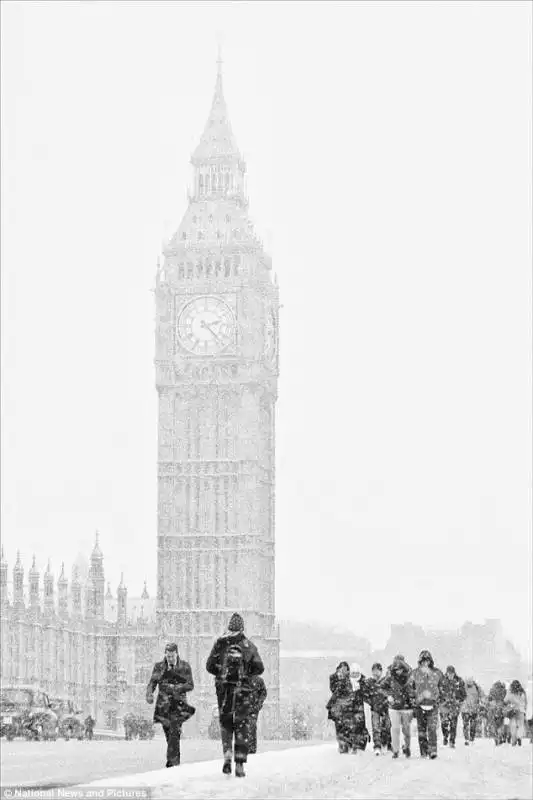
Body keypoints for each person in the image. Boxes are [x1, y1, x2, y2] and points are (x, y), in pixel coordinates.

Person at [206, 612, 264, 778]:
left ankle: (227, 754)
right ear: (242, 628)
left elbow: (209, 666)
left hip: (224, 692)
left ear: (229, 627)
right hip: (243, 692)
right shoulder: (249, 646)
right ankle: (239, 763)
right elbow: (260, 668)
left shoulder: (220, 643)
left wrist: (222, 673)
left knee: (226, 724)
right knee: (242, 726)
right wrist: (246, 674)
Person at [146, 642, 195, 768]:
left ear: (177, 654)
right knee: (170, 736)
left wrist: (177, 687)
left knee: (174, 733)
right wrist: (149, 694)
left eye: (172, 656)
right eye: (168, 656)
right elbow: (152, 683)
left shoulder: (184, 667)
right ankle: (174, 763)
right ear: (165, 655)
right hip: (163, 707)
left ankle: (172, 764)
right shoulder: (159, 667)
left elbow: (190, 685)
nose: (170, 659)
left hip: (178, 707)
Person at [407, 650, 444, 760]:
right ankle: (423, 751)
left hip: (433, 705)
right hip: (419, 705)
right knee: (421, 730)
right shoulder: (415, 673)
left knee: (432, 729)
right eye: (423, 661)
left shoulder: (437, 673)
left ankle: (432, 750)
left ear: (430, 661)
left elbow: (443, 687)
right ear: (420, 661)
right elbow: (409, 688)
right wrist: (414, 699)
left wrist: (439, 699)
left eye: (427, 660)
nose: (425, 663)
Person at [326, 662, 369, 755]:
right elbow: (336, 693)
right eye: (353, 673)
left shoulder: (363, 681)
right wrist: (330, 705)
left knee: (359, 726)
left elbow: (369, 693)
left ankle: (357, 745)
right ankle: (345, 745)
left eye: (356, 673)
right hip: (346, 708)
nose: (355, 675)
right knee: (344, 727)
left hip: (358, 708)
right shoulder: (344, 681)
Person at [381, 654, 413, 760]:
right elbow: (382, 687)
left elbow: (415, 688)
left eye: (400, 668)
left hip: (406, 707)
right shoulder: (390, 675)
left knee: (406, 730)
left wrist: (412, 696)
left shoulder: (410, 675)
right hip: (394, 707)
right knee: (395, 729)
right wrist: (389, 695)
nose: (398, 670)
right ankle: (395, 750)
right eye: (396, 668)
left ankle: (407, 747)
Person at [364, 662, 392, 755]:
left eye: (378, 670)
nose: (376, 673)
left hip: (385, 707)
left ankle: (387, 744)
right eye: (374, 671)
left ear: (381, 671)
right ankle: (377, 746)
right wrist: (371, 702)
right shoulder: (369, 682)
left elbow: (390, 692)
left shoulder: (385, 681)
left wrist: (388, 700)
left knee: (387, 726)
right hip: (375, 708)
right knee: (376, 727)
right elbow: (365, 695)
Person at [439, 665, 466, 748]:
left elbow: (463, 694)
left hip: (454, 706)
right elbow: (438, 692)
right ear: (446, 673)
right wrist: (441, 700)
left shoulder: (459, 681)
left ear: (454, 673)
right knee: (444, 723)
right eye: (449, 673)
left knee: (453, 724)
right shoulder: (441, 680)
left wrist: (459, 700)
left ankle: (452, 741)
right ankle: (445, 735)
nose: (450, 675)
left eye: (452, 673)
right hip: (444, 705)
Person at [248, 675, 267, 755]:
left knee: (251, 726)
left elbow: (264, 693)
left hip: (253, 709)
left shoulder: (258, 680)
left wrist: (258, 705)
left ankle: (251, 748)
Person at [504, 680, 527, 747]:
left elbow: (505, 700)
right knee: (520, 726)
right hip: (521, 711)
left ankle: (514, 741)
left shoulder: (510, 691)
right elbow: (525, 702)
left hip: (513, 710)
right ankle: (519, 737)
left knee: (513, 726)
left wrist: (509, 704)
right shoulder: (522, 692)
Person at [461, 676, 482, 746]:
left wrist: (481, 701)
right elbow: (459, 695)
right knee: (466, 725)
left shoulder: (476, 687)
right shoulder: (463, 687)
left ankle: (471, 739)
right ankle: (467, 739)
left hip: (472, 710)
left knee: (472, 725)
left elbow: (481, 695)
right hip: (466, 710)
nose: (469, 683)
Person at [487, 680, 507, 745]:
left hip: (493, 710)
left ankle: (496, 737)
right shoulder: (503, 690)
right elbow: (506, 700)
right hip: (500, 710)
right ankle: (500, 736)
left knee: (494, 725)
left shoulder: (492, 690)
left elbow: (489, 699)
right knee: (501, 724)